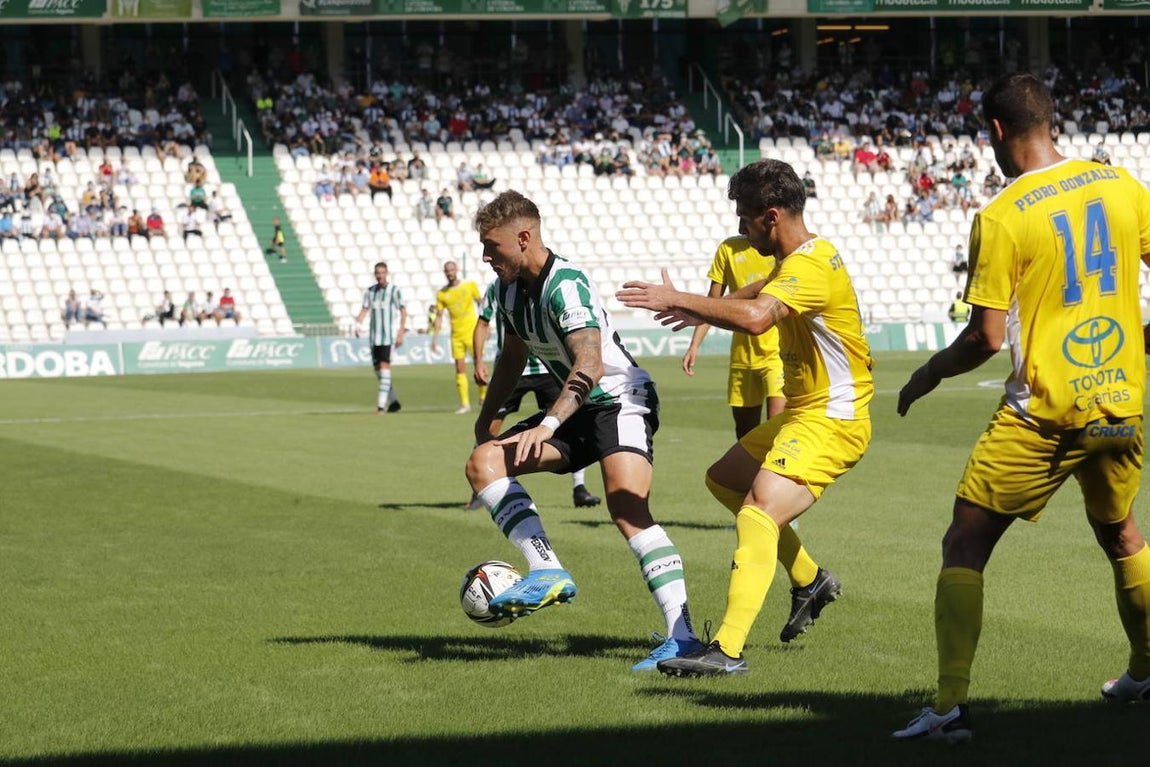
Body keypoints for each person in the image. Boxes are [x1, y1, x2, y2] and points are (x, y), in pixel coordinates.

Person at [891, 73, 1150, 744]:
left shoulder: (1004, 214)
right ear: (1052, 121)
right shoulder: (1120, 185)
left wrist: (926, 372)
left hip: (1044, 416)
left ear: (997, 133)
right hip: (1118, 404)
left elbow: (983, 335)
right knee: (1121, 533)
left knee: (964, 541)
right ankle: (1146, 670)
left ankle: (949, 707)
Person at [618, 158, 874, 677]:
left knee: (758, 510)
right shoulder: (802, 256)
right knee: (725, 481)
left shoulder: (810, 266)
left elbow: (757, 318)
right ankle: (809, 578)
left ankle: (727, 649)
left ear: (771, 215)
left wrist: (676, 297)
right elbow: (756, 292)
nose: (740, 228)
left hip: (833, 417)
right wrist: (695, 311)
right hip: (806, 412)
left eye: (745, 219)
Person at [464, 190, 704, 671]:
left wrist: (549, 421)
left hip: (618, 400)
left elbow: (590, 363)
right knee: (483, 462)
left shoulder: (566, 283)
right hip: (572, 410)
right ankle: (547, 568)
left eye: (492, 246)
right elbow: (512, 357)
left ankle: (685, 638)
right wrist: (485, 423)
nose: (486, 256)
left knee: (626, 506)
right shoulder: (509, 291)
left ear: (525, 237)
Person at [469, 279, 601, 510]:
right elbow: (482, 323)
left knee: (569, 423)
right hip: (512, 369)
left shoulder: (546, 284)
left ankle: (579, 488)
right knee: (489, 427)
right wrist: (479, 360)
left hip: (545, 367)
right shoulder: (497, 288)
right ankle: (481, 487)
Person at [682, 236, 787, 439]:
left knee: (777, 429)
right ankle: (752, 472)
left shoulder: (778, 248)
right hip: (742, 357)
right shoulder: (728, 249)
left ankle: (775, 471)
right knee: (745, 436)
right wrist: (694, 345)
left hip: (778, 355)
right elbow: (712, 303)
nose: (742, 224)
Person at [430, 261, 482, 414]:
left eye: (452, 270)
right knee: (460, 368)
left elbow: (482, 304)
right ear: (444, 272)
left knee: (479, 365)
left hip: (473, 333)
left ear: (456, 270)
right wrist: (435, 338)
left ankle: (483, 397)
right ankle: (465, 404)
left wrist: (486, 325)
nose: (450, 273)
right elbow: (439, 316)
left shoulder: (469, 286)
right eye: (447, 270)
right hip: (456, 336)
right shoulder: (442, 294)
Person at [354, 261, 406, 414]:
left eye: (382, 273)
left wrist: (401, 331)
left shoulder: (394, 291)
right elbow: (364, 309)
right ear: (375, 274)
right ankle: (394, 401)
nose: (380, 276)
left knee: (384, 370)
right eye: (377, 273)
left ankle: (380, 406)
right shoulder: (370, 291)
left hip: (388, 338)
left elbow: (403, 310)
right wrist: (358, 324)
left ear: (386, 273)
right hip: (373, 338)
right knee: (378, 372)